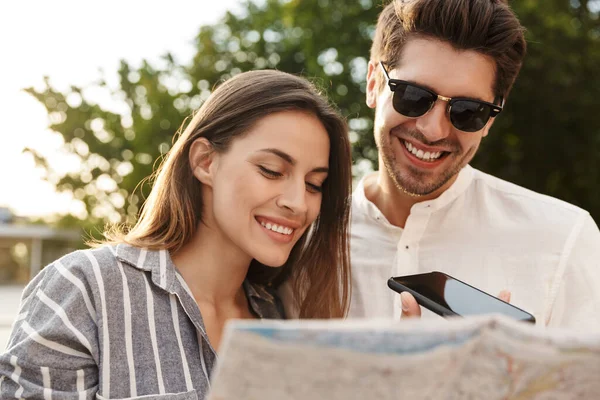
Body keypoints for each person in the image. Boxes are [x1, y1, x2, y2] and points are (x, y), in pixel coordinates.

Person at [0, 69, 353, 399]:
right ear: (205, 162)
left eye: (314, 184)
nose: (298, 203)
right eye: (272, 170)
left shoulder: (279, 316)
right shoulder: (83, 291)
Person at [347, 0, 600, 328]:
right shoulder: (299, 237)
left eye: (468, 111)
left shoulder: (565, 240)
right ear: (372, 84)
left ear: (491, 119)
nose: (432, 130)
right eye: (413, 95)